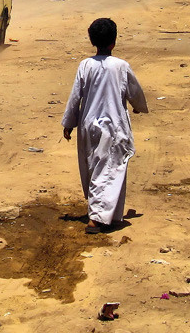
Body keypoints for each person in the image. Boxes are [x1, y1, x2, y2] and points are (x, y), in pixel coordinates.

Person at [61, 18, 148, 234]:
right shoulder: (121, 66)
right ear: (113, 42)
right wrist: (138, 107)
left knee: (94, 168)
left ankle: (108, 214)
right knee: (110, 169)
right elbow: (134, 92)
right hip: (113, 125)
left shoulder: (85, 65)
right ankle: (97, 218)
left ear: (92, 41)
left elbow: (75, 97)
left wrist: (69, 123)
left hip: (88, 125)